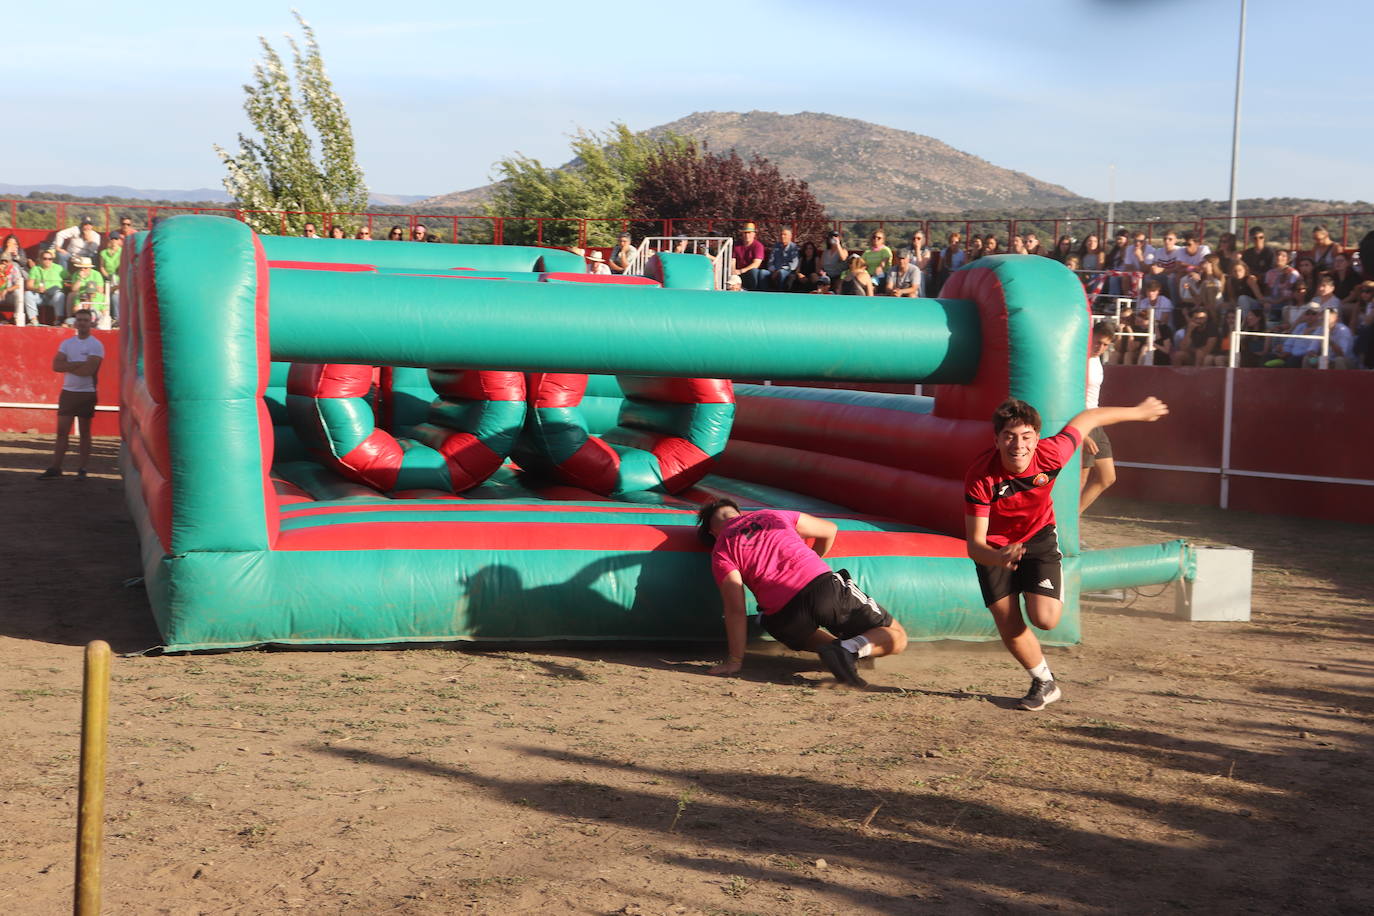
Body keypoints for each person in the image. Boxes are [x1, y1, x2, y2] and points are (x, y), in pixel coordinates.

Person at [964, 395, 1169, 710]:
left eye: (1026, 436)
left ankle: (1050, 583)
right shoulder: (981, 477)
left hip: (1038, 537)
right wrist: (1000, 556)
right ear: (996, 440)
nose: (1017, 444)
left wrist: (1138, 412)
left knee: (1045, 620)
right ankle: (1044, 682)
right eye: (1009, 436)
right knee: (1008, 621)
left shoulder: (1052, 453)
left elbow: (1089, 417)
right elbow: (974, 545)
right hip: (995, 547)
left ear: (1037, 439)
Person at [697, 498, 909, 684]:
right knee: (897, 637)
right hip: (822, 590)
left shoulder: (721, 550)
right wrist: (812, 561)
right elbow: (829, 530)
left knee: (811, 636)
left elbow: (736, 609)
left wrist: (735, 661)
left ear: (712, 532)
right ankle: (851, 649)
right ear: (739, 513)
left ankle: (845, 650)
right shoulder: (772, 515)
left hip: (783, 618)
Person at [39, 309, 105, 480]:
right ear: (75, 323)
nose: (82, 323)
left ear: (91, 322)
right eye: (79, 320)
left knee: (84, 432)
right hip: (69, 392)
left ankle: (82, 468)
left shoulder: (95, 344)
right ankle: (56, 467)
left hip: (85, 392)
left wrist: (68, 364)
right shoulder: (68, 343)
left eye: (85, 320)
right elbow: (56, 366)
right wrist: (76, 364)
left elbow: (88, 370)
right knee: (62, 432)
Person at [1080, 321, 1118, 514]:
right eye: (1098, 342)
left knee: (1107, 477)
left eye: (1105, 345)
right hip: (1082, 422)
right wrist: (1082, 435)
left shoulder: (1095, 360)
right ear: (1091, 336)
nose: (1101, 348)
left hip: (1095, 420)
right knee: (1079, 481)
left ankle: (1068, 524)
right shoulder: (1079, 359)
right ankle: (1064, 528)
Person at [25, 249, 66, 325]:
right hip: (39, 295)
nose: (48, 261)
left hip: (53, 296)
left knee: (60, 295)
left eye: (50, 259)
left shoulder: (59, 268)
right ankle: (34, 320)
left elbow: (69, 279)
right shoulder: (35, 269)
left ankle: (58, 321)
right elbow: (29, 285)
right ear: (40, 259)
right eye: (45, 258)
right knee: (28, 294)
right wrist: (36, 289)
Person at [731, 222, 767, 291]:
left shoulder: (758, 246)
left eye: (749, 233)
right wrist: (733, 271)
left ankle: (754, 292)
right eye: (745, 233)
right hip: (738, 273)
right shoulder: (736, 245)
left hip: (750, 273)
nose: (747, 235)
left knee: (754, 271)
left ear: (754, 234)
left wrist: (741, 271)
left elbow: (756, 264)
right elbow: (732, 261)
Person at [766, 227, 800, 291]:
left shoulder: (794, 247)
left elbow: (793, 265)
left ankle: (780, 292)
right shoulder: (776, 246)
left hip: (787, 271)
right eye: (781, 234)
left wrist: (780, 270)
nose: (782, 236)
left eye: (785, 234)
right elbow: (770, 261)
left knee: (781, 273)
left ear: (790, 236)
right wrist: (773, 270)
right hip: (774, 270)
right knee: (762, 273)